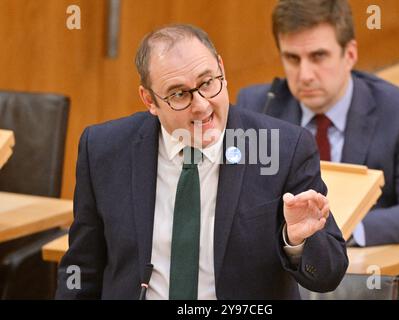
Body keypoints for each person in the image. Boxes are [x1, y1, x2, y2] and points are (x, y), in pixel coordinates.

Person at [55, 24, 348, 299]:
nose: (201, 106)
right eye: (179, 94)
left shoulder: (284, 149)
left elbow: (328, 274)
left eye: (208, 83)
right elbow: (82, 267)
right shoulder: (104, 149)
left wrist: (297, 242)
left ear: (221, 69)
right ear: (149, 100)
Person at [236, 0, 399, 247]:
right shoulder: (259, 107)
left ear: (350, 55)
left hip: (369, 276)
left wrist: (340, 230)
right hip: (288, 272)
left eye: (318, 56)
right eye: (293, 58)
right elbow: (238, 206)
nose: (305, 75)